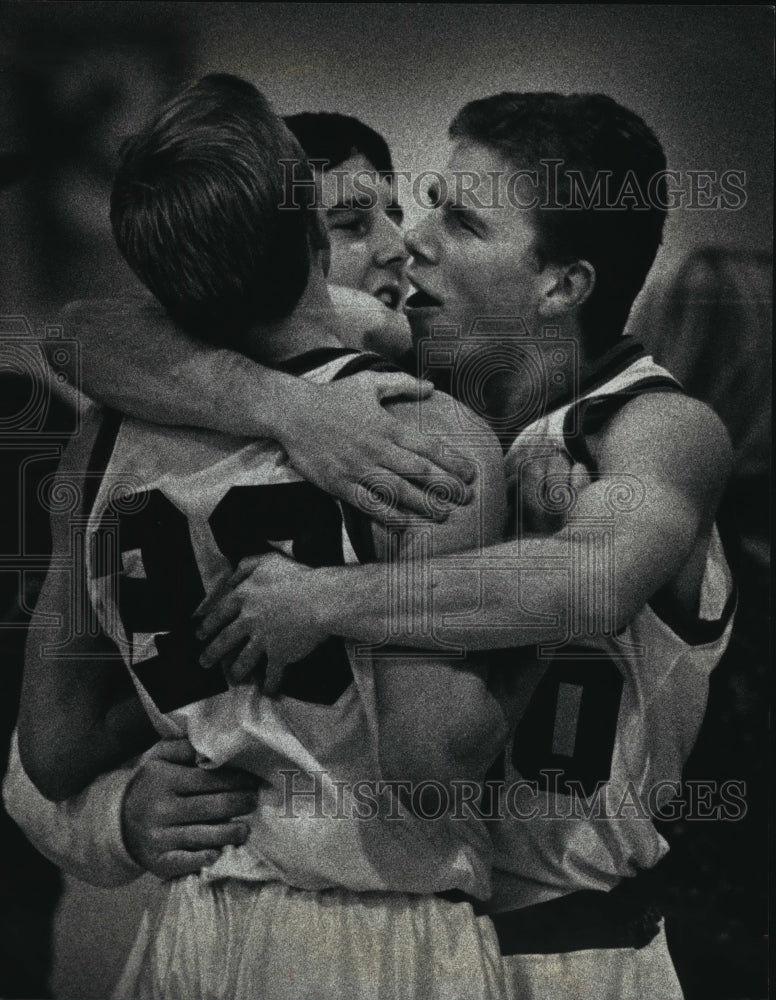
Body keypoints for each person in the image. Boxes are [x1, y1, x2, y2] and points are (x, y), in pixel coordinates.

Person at [84, 92, 734, 999]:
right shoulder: (404, 383)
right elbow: (94, 335)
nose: (412, 238)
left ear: (562, 285)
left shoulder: (660, 424)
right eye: (426, 200)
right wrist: (288, 407)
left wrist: (324, 598)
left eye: (462, 221)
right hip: (401, 936)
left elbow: (593, 577)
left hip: (575, 955)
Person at [17, 74, 510, 999]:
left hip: (198, 924)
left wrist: (200, 664)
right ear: (310, 237)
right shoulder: (425, 431)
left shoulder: (99, 437)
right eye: (358, 219)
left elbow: (50, 746)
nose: (402, 246)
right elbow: (429, 768)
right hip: (376, 933)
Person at [2, 110, 431, 888]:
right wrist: (120, 816)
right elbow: (45, 757)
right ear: (283, 246)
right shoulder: (131, 420)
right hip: (364, 905)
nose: (402, 243)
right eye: (349, 221)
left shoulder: (441, 376)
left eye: (396, 212)